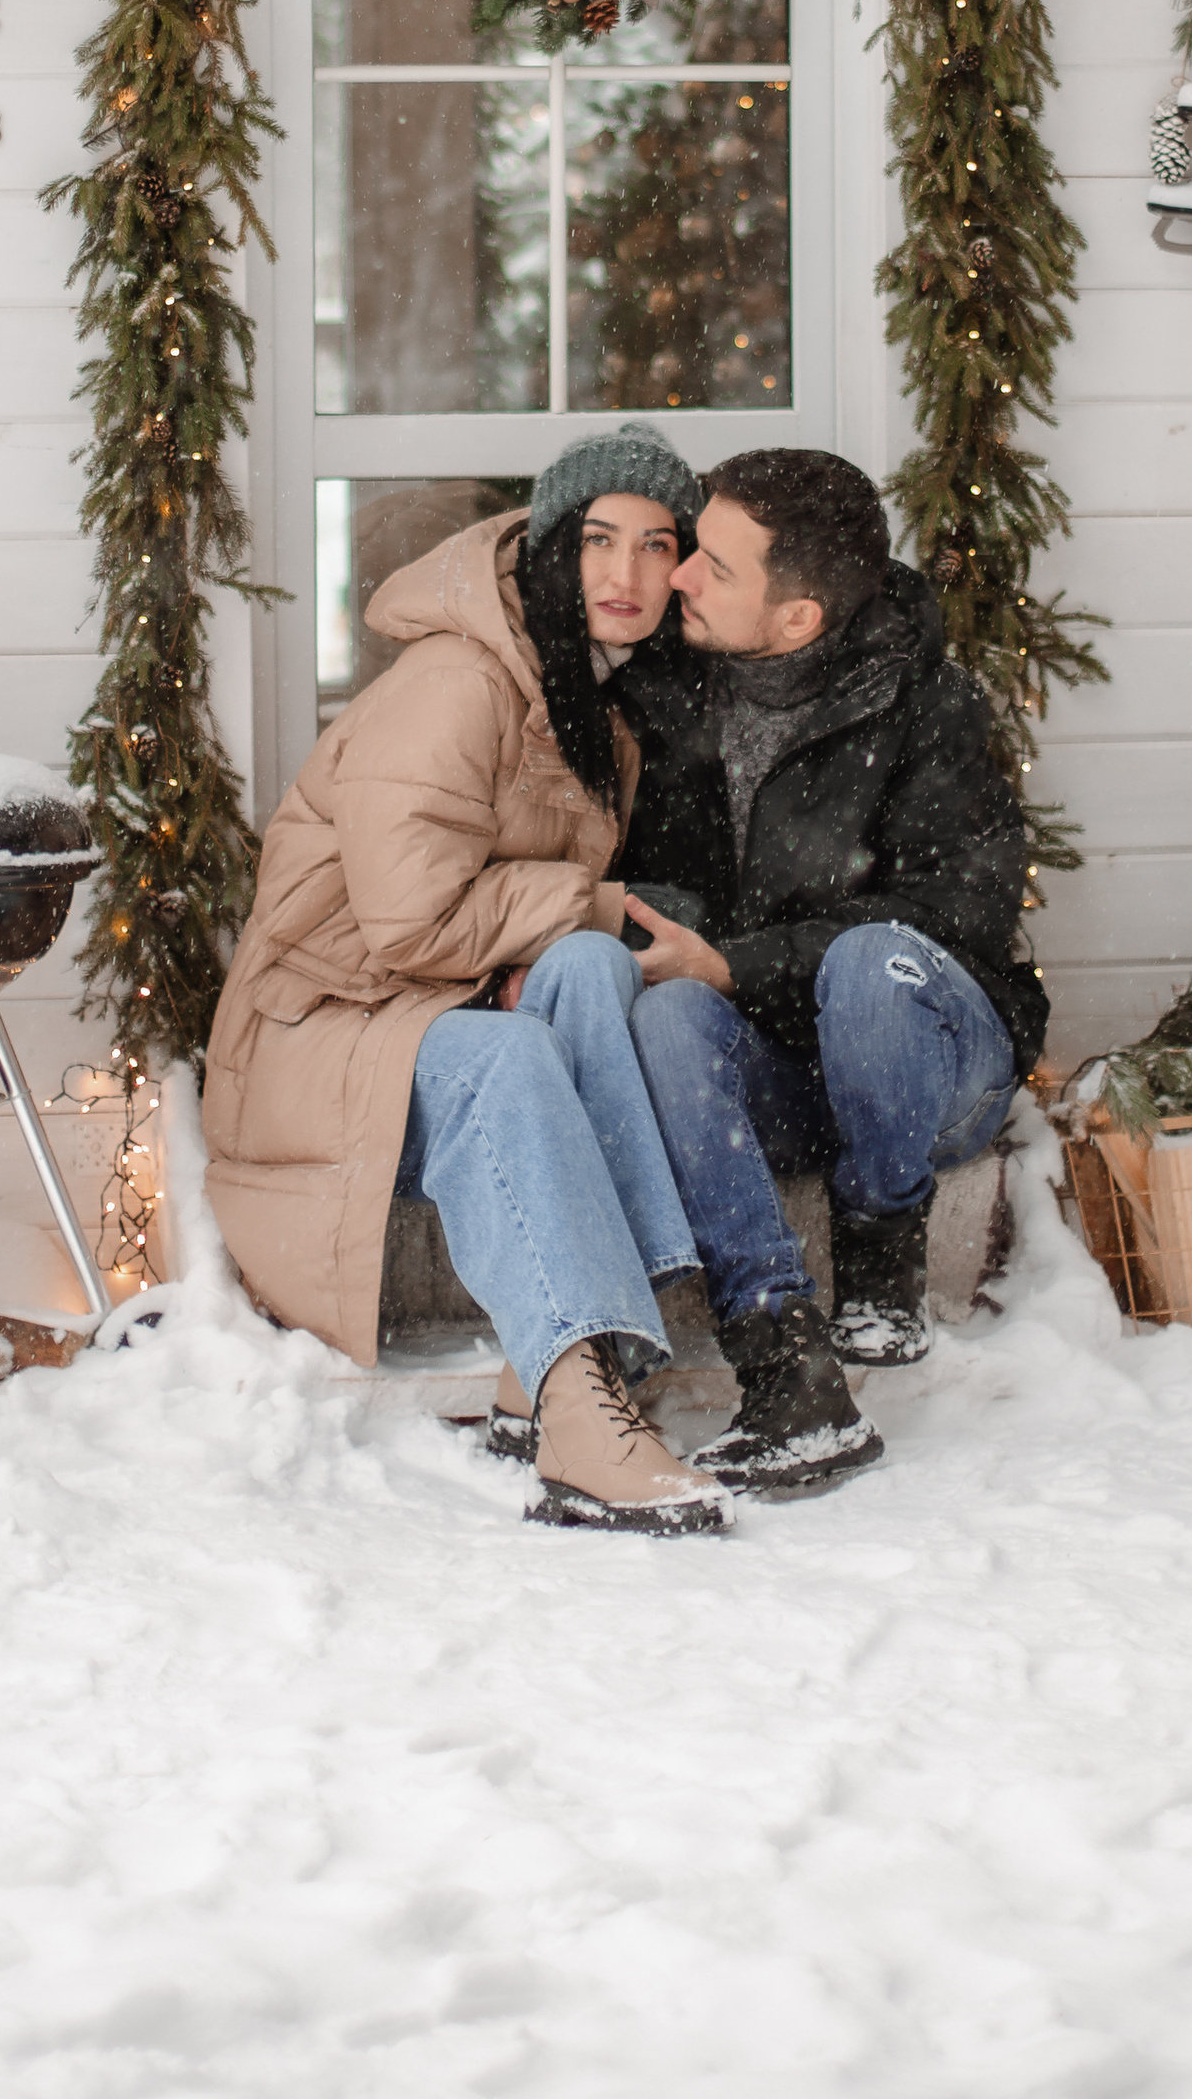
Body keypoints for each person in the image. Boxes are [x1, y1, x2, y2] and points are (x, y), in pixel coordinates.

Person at [201, 425, 729, 1535]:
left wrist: (602, 921)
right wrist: (591, 900)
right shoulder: (458, 682)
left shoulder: (590, 702)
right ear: (548, 549)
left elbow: (535, 920)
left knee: (591, 966)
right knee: (520, 1032)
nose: (625, 576)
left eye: (654, 545)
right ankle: (579, 1410)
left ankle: (577, 1353)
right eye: (598, 541)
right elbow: (409, 923)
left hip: (422, 1009)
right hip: (324, 1029)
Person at [625, 448, 1042, 1499]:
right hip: (777, 1072)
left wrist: (742, 961)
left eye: (712, 566)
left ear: (798, 617)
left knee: (870, 964)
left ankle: (879, 1259)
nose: (677, 575)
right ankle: (780, 1361)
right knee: (672, 1017)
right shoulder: (673, 694)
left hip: (926, 1075)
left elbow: (960, 912)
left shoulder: (924, 705)